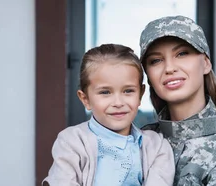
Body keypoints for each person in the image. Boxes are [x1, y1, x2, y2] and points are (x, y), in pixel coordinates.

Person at [139, 15, 216, 186]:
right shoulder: (143, 139)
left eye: (182, 54)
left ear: (206, 63)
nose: (169, 68)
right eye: (156, 60)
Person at [42, 44, 175, 186]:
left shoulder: (156, 146)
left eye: (128, 91)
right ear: (85, 99)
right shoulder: (72, 141)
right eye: (105, 92)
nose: (118, 103)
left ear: (140, 95)